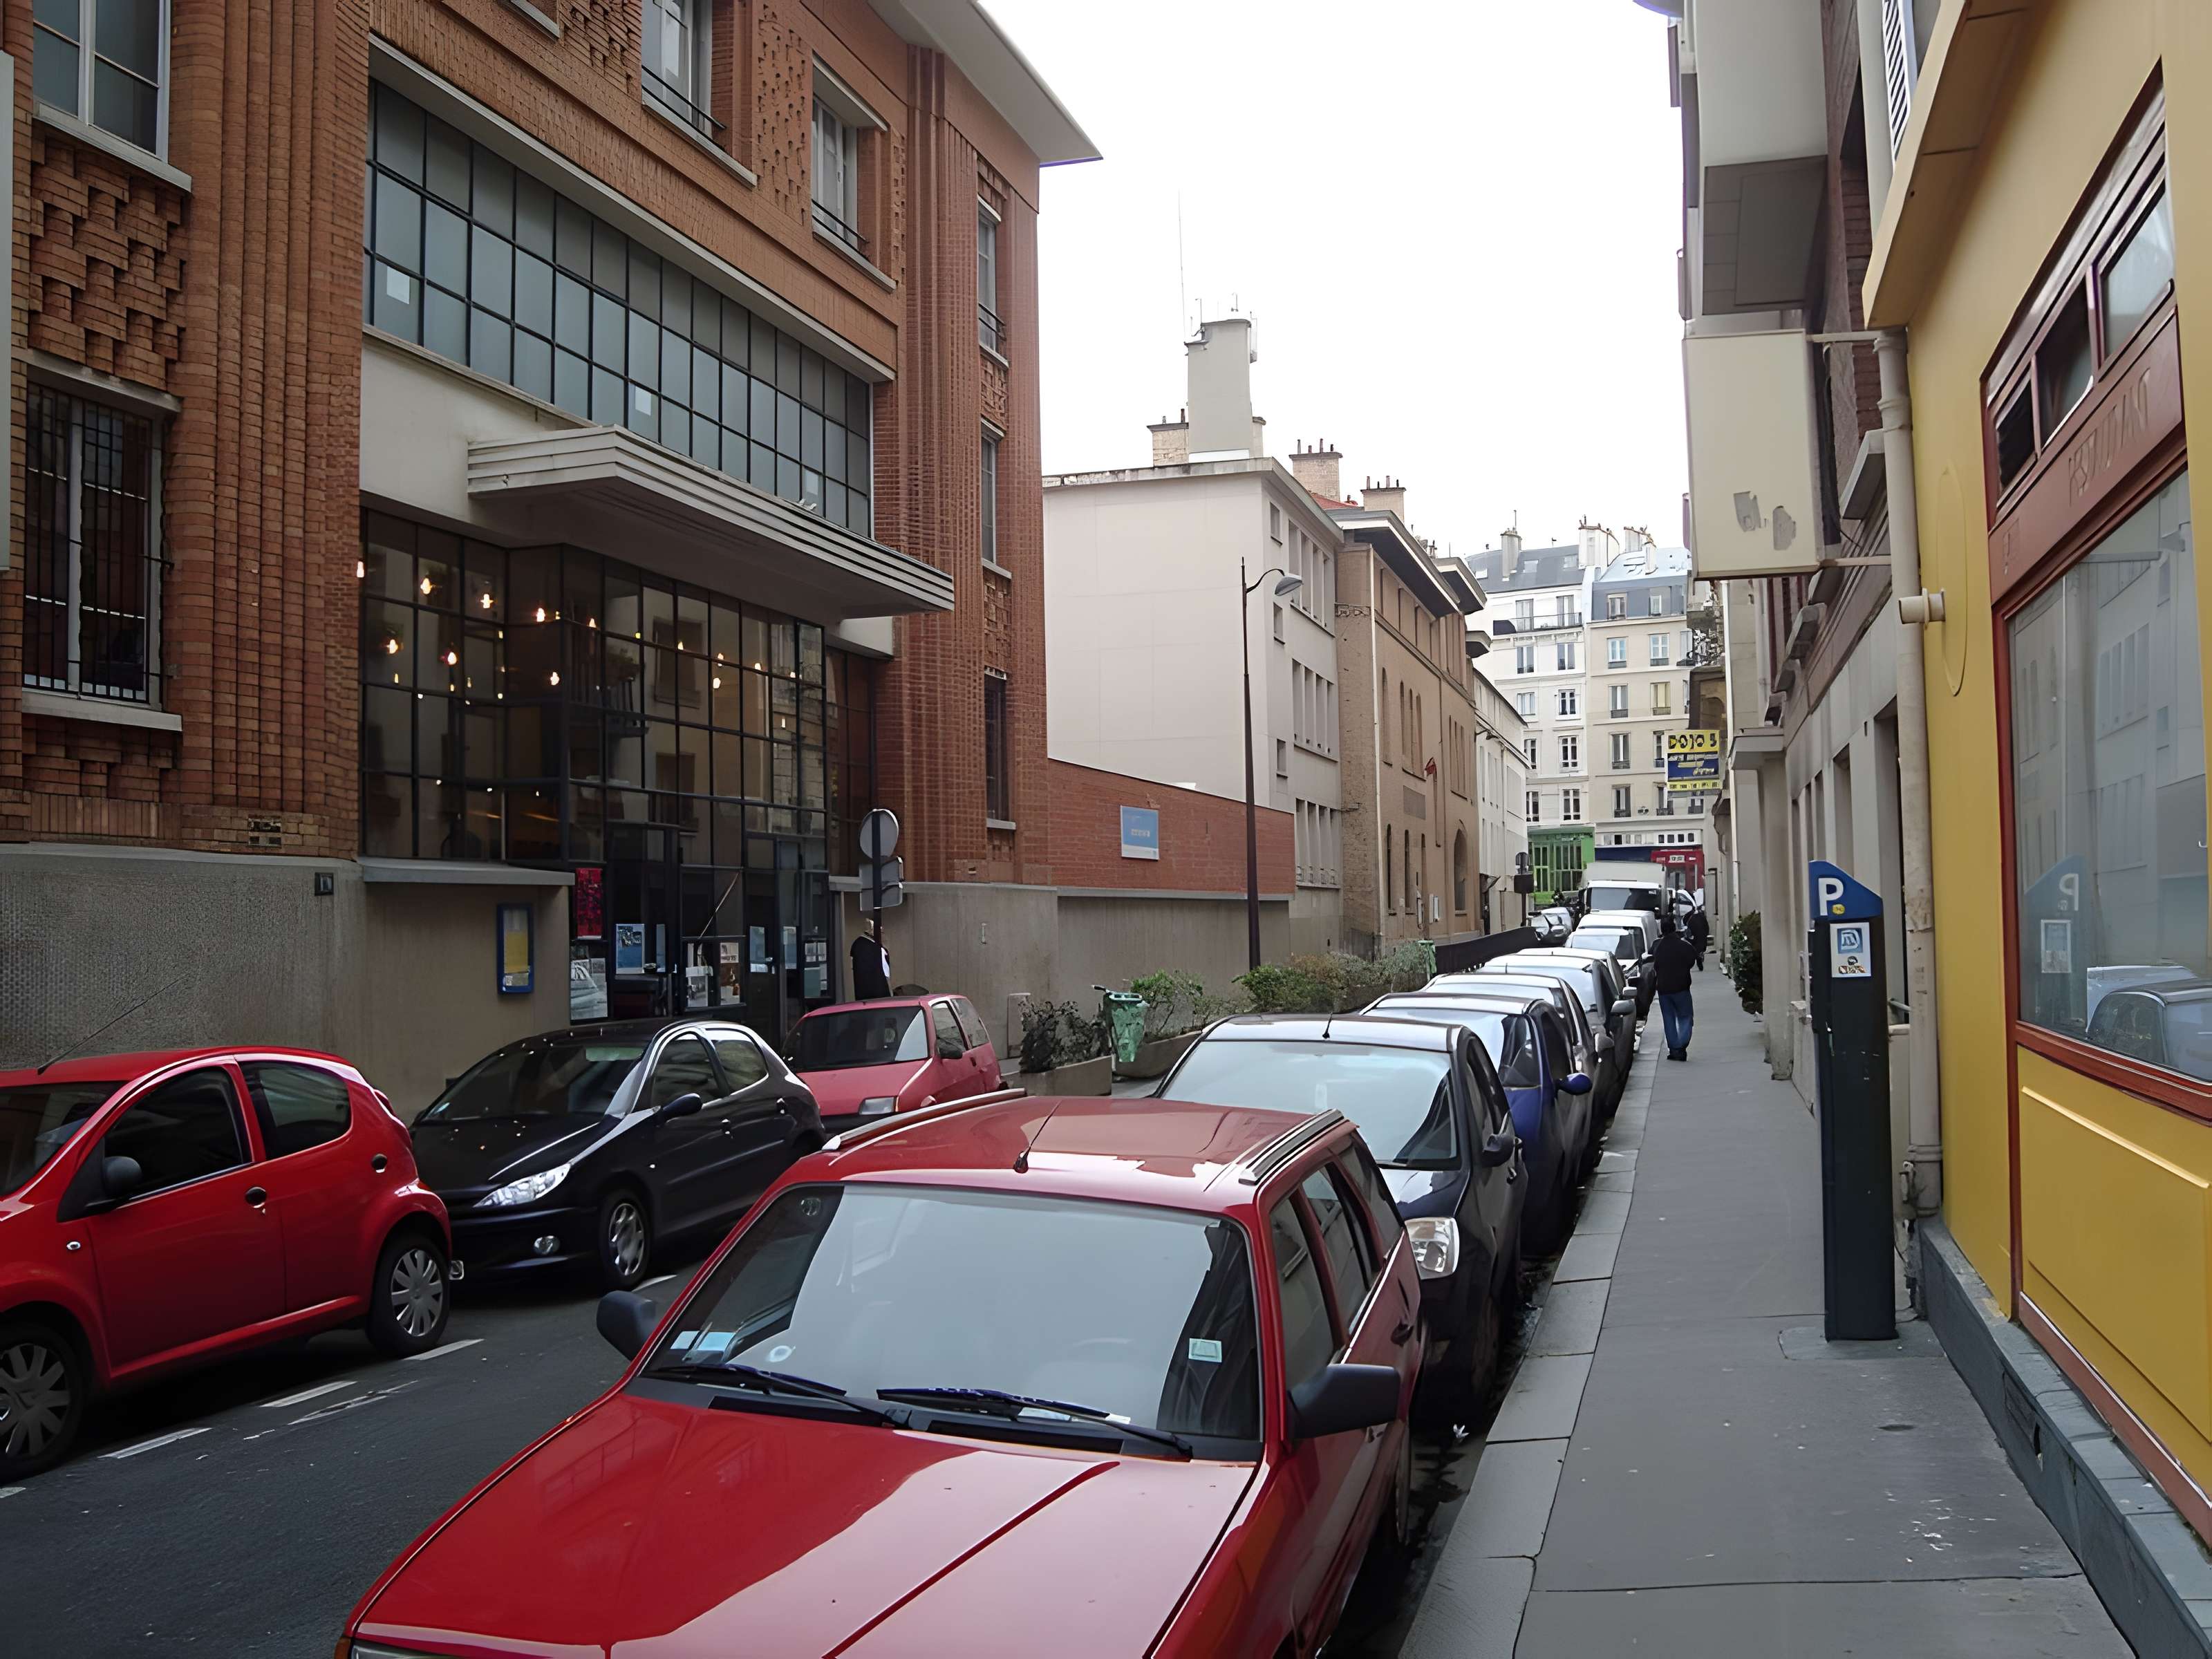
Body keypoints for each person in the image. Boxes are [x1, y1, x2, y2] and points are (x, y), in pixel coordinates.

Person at [1649, 916, 1698, 1061]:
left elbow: (1654, 964)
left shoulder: (1658, 946)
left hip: (1664, 989)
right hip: (1682, 986)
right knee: (1685, 1016)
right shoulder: (1684, 946)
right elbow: (1692, 960)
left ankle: (1674, 1048)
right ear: (1674, 928)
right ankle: (1681, 1045)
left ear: (1662, 930)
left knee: (1669, 1018)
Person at [849, 928, 890, 1000]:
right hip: (880, 994)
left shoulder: (856, 944)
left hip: (862, 995)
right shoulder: (877, 948)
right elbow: (886, 973)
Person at [1687, 906, 1712, 973]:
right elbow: (1706, 926)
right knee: (1700, 950)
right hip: (1702, 936)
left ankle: (1698, 959)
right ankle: (1699, 958)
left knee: (1696, 950)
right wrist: (1706, 934)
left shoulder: (1691, 918)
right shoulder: (1702, 917)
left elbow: (1689, 928)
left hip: (1696, 937)